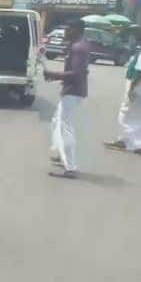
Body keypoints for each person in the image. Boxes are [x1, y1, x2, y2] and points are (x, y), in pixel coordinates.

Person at [44, 19, 91, 179]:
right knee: (56, 122)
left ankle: (70, 167)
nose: (65, 32)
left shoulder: (78, 48)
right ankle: (60, 153)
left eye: (68, 29)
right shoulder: (80, 45)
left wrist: (52, 74)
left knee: (65, 128)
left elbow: (76, 74)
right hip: (73, 90)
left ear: (77, 30)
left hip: (73, 92)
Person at [104, 37, 141, 155]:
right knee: (138, 114)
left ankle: (126, 140)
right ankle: (133, 142)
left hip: (138, 84)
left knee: (126, 111)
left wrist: (133, 88)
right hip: (139, 84)